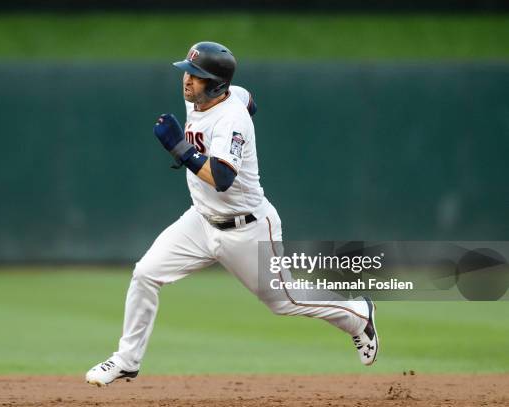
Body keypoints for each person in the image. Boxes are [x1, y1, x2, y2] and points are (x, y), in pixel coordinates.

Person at [85, 41, 379, 387]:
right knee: (146, 273)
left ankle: (359, 314)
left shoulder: (230, 120)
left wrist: (181, 149)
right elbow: (248, 97)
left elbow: (222, 178)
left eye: (197, 75)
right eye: (188, 72)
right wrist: (234, 119)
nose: (188, 80)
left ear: (216, 84)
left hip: (247, 228)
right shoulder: (218, 97)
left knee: (284, 301)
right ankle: (127, 360)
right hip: (200, 220)